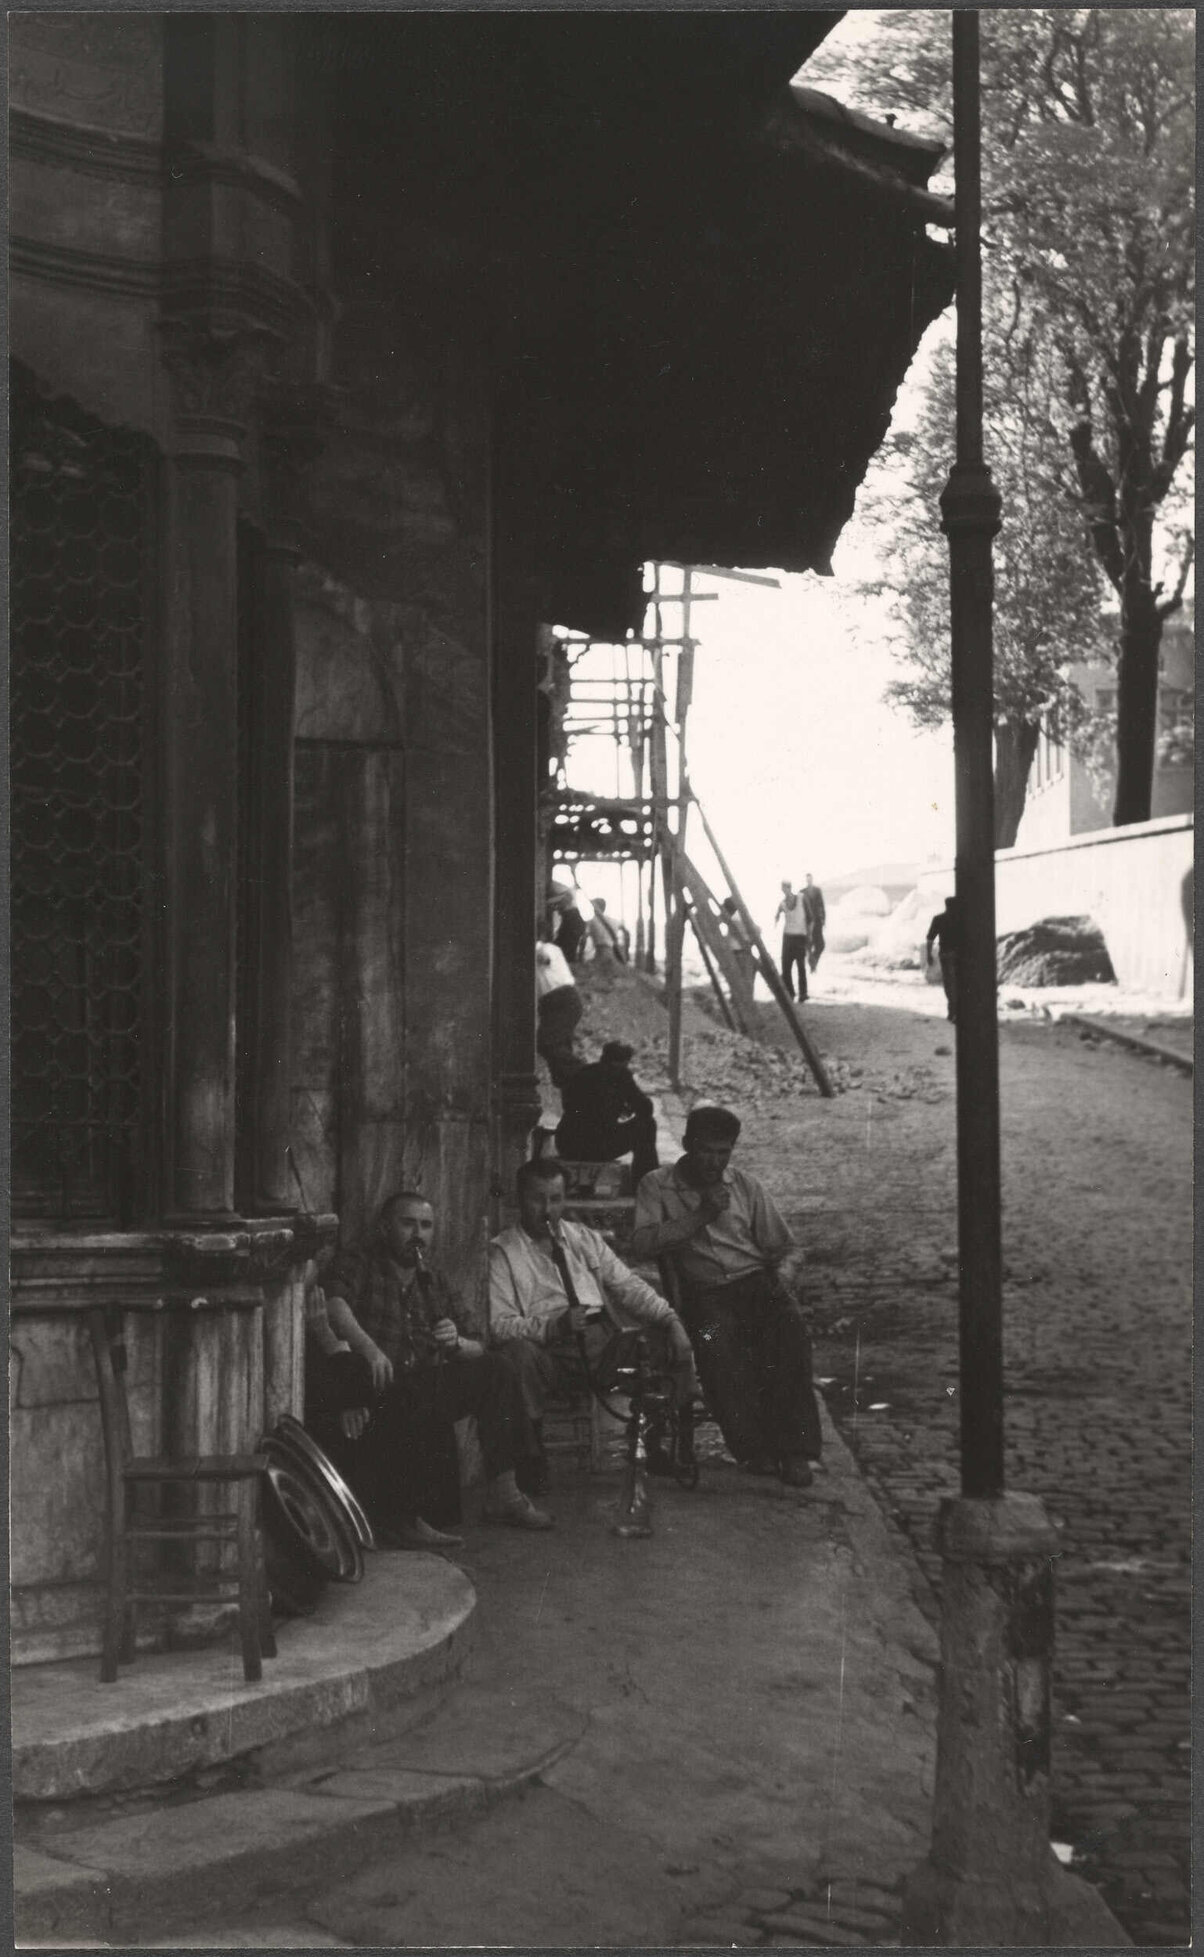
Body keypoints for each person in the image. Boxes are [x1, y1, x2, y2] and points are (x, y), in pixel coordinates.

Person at [312, 1192, 552, 1543]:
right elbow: (334, 1303)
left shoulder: (434, 1279)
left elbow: (477, 1342)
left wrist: (457, 1342)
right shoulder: (362, 1261)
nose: (418, 1234)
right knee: (411, 1398)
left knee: (497, 1368)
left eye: (426, 1226)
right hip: (375, 1385)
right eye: (407, 1223)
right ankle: (405, 1522)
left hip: (419, 1382)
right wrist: (369, 1348)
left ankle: (505, 1493)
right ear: (385, 1228)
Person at [630, 1104, 822, 1488]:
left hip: (755, 1283)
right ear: (686, 1144)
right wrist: (700, 1216)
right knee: (717, 1349)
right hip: (705, 1292)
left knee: (791, 1335)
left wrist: (783, 1275)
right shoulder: (657, 1185)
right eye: (706, 1150)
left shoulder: (745, 1186)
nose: (714, 1161)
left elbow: (785, 1247)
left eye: (724, 1152)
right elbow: (641, 1243)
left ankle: (796, 1451)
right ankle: (753, 1449)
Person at [488, 1157, 696, 1490]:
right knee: (516, 1355)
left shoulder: (582, 1238)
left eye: (555, 1199)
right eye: (536, 1198)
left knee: (668, 1341)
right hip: (548, 1352)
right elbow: (499, 1325)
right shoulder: (503, 1253)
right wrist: (553, 1327)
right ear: (519, 1198)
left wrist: (670, 1319)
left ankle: (656, 1441)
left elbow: (628, 1286)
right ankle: (531, 1456)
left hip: (601, 1342)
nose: (546, 1208)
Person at [555, 1040, 659, 1183]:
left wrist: (625, 1104)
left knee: (645, 1125)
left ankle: (645, 1181)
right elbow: (645, 1109)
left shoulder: (584, 1073)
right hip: (590, 1144)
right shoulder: (620, 1076)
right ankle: (645, 1182)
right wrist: (628, 1103)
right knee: (646, 1127)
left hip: (567, 1144)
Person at [536, 935, 584, 1086]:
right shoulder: (548, 950)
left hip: (562, 1000)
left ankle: (586, 1073)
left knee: (546, 1042)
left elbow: (545, 957)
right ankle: (572, 1087)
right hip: (553, 1003)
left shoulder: (547, 949)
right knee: (560, 1047)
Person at [774, 879, 810, 1002]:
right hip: (788, 937)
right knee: (786, 966)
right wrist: (776, 919)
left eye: (786, 888)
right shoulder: (782, 903)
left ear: (789, 888)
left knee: (801, 966)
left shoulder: (801, 898)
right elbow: (777, 915)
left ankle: (803, 994)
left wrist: (808, 935)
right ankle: (790, 993)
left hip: (800, 937)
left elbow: (810, 917)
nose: (784, 890)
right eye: (783, 888)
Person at [925, 896, 959, 1023]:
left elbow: (930, 938)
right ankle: (955, 1012)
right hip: (961, 956)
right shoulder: (961, 919)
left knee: (949, 983)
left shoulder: (939, 919)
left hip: (946, 954)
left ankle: (952, 1012)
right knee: (959, 983)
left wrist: (928, 954)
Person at [587, 897, 627, 964]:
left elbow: (584, 938)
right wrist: (626, 950)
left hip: (599, 955)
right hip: (612, 955)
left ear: (596, 908)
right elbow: (626, 932)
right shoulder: (614, 921)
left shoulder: (591, 921)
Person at [553, 893, 588, 965]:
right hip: (571, 957)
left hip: (566, 958)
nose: (557, 908)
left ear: (565, 904)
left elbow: (563, 940)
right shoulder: (575, 916)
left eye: (558, 905)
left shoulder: (570, 917)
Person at [802, 874, 826, 973]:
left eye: (810, 879)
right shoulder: (802, 892)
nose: (809, 881)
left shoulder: (817, 890)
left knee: (821, 944)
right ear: (806, 881)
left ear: (812, 880)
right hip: (806, 923)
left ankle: (813, 961)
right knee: (809, 945)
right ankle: (812, 966)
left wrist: (824, 919)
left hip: (817, 922)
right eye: (807, 880)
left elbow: (822, 905)